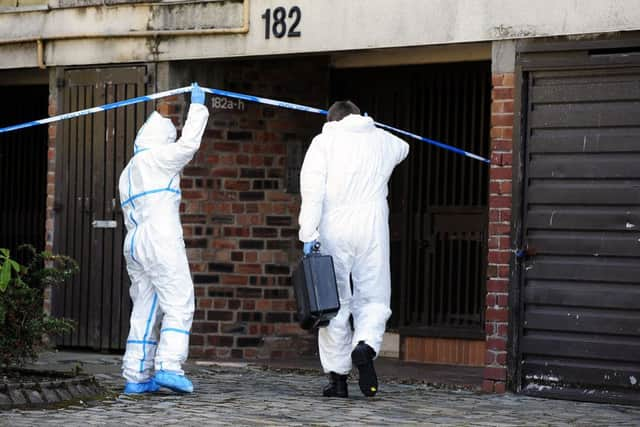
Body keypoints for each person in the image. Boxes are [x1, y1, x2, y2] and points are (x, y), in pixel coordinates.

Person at [298, 100, 410, 398]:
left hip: (333, 226)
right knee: (373, 293)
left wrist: (307, 232)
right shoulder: (383, 140)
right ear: (360, 117)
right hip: (372, 225)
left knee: (333, 301)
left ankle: (337, 379)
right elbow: (403, 147)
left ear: (332, 120)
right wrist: (373, 126)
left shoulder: (323, 142)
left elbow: (311, 192)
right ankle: (366, 345)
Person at [119, 83, 209, 394]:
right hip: (160, 237)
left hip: (135, 242)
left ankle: (136, 374)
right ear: (161, 141)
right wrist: (198, 106)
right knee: (179, 301)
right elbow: (188, 146)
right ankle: (169, 365)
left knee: (145, 306)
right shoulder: (158, 158)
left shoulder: (129, 170)